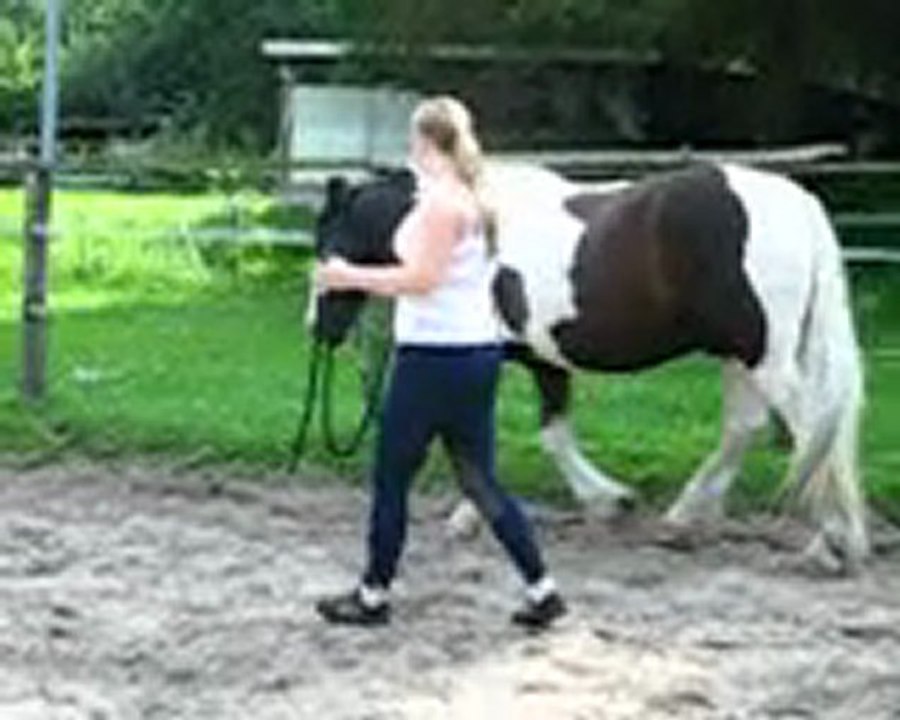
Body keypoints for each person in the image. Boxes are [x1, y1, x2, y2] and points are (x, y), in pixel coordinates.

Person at [314, 96, 566, 630]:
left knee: (392, 479)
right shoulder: (476, 199)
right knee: (480, 481)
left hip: (432, 358)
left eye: (414, 141)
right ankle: (541, 588)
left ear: (425, 142)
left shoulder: (441, 207)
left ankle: (374, 594)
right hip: (475, 353)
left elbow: (420, 280)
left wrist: (348, 277)